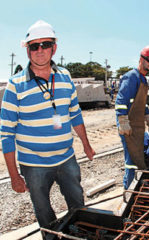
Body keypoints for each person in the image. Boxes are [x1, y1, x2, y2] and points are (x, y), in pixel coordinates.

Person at [0, 20, 95, 228]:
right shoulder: (15, 85)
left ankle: (80, 233)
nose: (40, 50)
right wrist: (14, 176)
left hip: (67, 158)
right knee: (43, 211)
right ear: (27, 50)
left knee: (78, 205)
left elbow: (75, 114)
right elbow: (6, 133)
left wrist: (86, 145)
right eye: (34, 46)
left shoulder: (65, 76)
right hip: (34, 165)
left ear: (54, 48)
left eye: (45, 44)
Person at [115, 45, 149, 189]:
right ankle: (128, 192)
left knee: (137, 157)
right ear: (141, 59)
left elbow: (142, 103)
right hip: (128, 126)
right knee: (131, 161)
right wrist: (122, 122)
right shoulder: (131, 77)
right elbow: (120, 101)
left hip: (138, 126)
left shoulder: (143, 79)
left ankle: (135, 187)